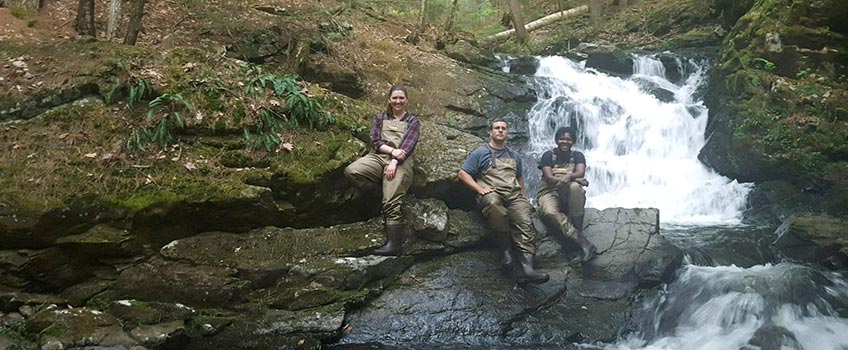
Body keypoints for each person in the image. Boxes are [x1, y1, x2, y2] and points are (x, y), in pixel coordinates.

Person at [458, 118, 549, 284]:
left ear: (507, 133)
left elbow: (519, 177)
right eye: (497, 128)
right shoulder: (480, 152)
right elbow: (463, 173)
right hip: (492, 194)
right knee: (493, 204)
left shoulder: (514, 155)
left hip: (513, 195)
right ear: (490, 132)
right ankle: (505, 250)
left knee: (524, 216)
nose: (500, 131)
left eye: (503, 128)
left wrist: (522, 195)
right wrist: (479, 189)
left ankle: (527, 269)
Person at [344, 84, 421, 256]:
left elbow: (408, 146)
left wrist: (394, 161)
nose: (398, 101)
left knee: (391, 202)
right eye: (395, 98)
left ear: (406, 100)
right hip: (379, 156)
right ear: (389, 99)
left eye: (401, 98)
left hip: (402, 161)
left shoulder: (413, 121)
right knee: (352, 171)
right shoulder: (380, 118)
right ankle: (380, 192)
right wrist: (392, 152)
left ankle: (394, 245)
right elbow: (375, 141)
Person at [537, 126, 595, 262]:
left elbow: (581, 172)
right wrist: (569, 178)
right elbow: (549, 178)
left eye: (568, 139)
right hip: (549, 192)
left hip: (569, 192)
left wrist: (569, 178)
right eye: (562, 139)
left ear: (573, 141)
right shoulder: (548, 155)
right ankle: (582, 242)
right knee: (550, 212)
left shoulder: (577, 156)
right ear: (557, 140)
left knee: (575, 188)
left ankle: (576, 231)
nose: (565, 141)